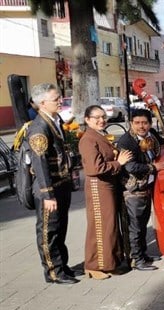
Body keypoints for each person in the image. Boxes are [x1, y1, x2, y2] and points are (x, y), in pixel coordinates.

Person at [27, 83, 79, 284]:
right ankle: (53, 271)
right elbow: (39, 164)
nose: (60, 101)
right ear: (42, 103)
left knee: (60, 228)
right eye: (55, 99)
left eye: (59, 97)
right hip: (48, 189)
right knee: (49, 231)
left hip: (61, 184)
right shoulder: (39, 127)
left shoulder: (54, 120)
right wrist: (48, 194)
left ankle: (63, 265)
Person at [79, 105, 133, 279]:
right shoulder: (88, 139)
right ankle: (94, 265)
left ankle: (111, 262)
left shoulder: (98, 135)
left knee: (110, 225)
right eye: (96, 117)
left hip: (108, 184)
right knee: (100, 226)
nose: (101, 120)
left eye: (103, 116)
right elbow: (95, 168)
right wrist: (119, 163)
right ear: (87, 119)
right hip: (98, 186)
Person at [116, 109, 164, 271]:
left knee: (143, 222)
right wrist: (154, 167)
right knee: (136, 226)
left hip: (147, 187)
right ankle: (136, 259)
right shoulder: (126, 141)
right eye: (137, 123)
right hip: (133, 190)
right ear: (131, 123)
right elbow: (131, 166)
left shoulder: (151, 134)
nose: (141, 126)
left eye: (145, 123)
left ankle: (143, 254)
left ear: (150, 124)